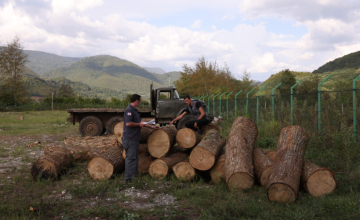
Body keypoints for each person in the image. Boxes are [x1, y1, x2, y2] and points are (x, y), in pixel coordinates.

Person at [123, 94, 159, 183]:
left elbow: (141, 122)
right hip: (130, 138)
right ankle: (128, 179)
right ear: (136, 101)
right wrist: (139, 125)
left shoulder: (134, 110)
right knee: (131, 158)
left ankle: (132, 176)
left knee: (134, 158)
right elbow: (128, 123)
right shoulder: (129, 110)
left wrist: (152, 127)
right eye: (139, 101)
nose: (140, 102)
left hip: (134, 138)